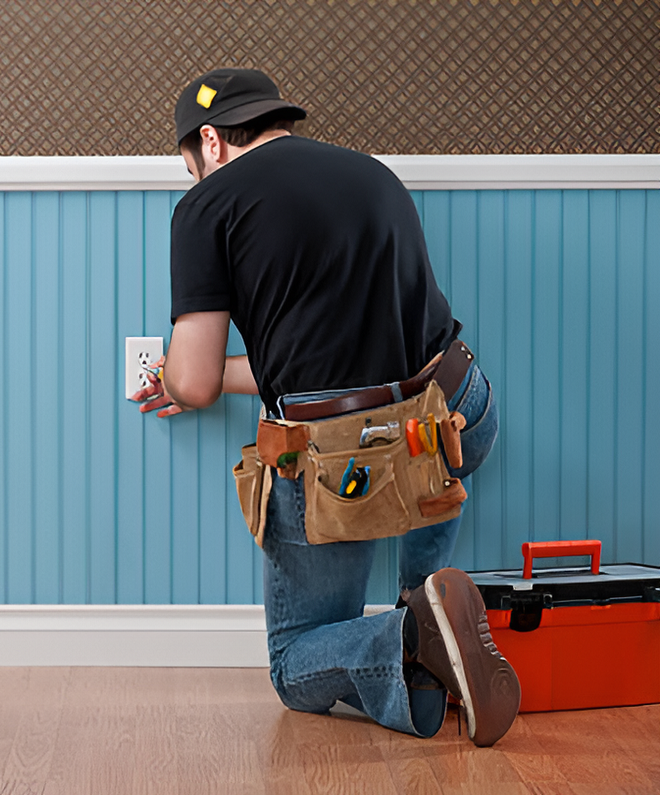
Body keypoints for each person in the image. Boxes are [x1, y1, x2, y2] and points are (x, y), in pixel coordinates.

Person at [131, 67, 520, 745]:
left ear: (212, 142)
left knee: (293, 665)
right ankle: (426, 619)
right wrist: (221, 375)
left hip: (351, 462)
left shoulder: (208, 205)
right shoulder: (371, 174)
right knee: (427, 494)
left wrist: (182, 374)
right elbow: (332, 362)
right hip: (456, 410)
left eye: (190, 161)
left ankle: (413, 630)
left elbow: (189, 385)